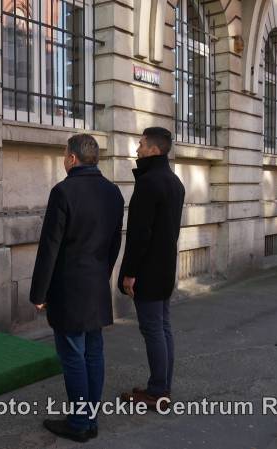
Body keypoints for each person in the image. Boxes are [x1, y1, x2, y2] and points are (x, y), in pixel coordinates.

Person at [30, 134, 124, 442]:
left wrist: (39, 293)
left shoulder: (63, 191)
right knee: (93, 352)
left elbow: (50, 247)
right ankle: (90, 417)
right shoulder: (113, 192)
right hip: (96, 284)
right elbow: (114, 243)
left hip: (69, 289)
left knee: (73, 355)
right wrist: (103, 273)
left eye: (63, 154)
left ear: (72, 158)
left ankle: (80, 423)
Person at [118, 127, 185, 409]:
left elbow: (139, 234)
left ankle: (157, 391)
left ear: (155, 150)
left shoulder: (149, 182)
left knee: (154, 330)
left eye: (141, 144)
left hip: (148, 269)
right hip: (165, 266)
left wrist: (129, 273)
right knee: (163, 327)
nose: (137, 149)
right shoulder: (174, 181)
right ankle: (162, 386)